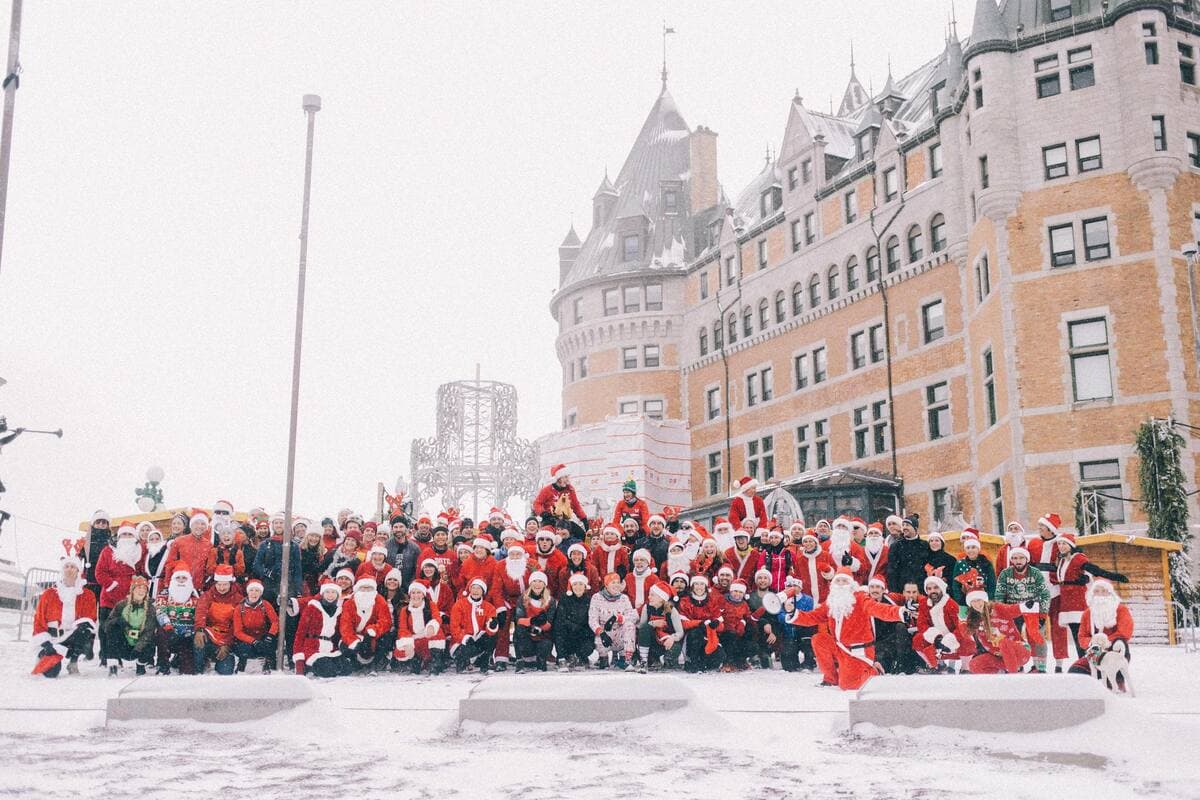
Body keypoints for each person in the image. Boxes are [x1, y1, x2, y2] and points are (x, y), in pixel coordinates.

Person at [786, 568, 910, 690]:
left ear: (851, 584)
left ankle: (874, 670)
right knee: (819, 639)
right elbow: (813, 617)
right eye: (838, 581)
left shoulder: (860, 598)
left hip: (857, 651)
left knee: (848, 685)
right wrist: (793, 612)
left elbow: (877, 608)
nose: (840, 584)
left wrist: (899, 612)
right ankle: (830, 678)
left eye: (844, 581)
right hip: (840, 648)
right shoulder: (832, 601)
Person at [1048, 532, 1127, 671]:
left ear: (1071, 545)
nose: (1061, 546)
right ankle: (1085, 664)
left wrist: (1114, 576)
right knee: (1076, 634)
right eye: (1059, 543)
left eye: (1064, 543)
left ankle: (1090, 664)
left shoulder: (1078, 559)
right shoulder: (1061, 560)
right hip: (1067, 602)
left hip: (1077, 601)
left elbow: (1095, 570)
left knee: (1082, 636)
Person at [32, 552, 98, 678]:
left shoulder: (87, 595)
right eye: (66, 566)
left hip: (72, 637)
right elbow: (38, 620)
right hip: (51, 639)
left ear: (78, 571)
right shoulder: (49, 593)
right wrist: (46, 644)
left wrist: (81, 628)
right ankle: (46, 656)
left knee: (85, 629)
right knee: (51, 673)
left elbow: (90, 618)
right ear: (62, 570)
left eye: (73, 567)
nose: (69, 569)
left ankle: (73, 662)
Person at [1068, 579, 1134, 691]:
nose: (1100, 594)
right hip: (1095, 653)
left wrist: (1104, 641)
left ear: (1110, 593)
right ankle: (1090, 683)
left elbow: (1124, 632)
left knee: (1120, 642)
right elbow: (1082, 636)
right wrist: (1094, 643)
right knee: (1074, 671)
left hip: (1114, 651)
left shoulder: (1121, 610)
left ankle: (1117, 678)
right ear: (1092, 594)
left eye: (1104, 591)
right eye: (1097, 591)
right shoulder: (1087, 614)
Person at [994, 544, 1050, 671]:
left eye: (1021, 558)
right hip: (1013, 610)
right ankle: (1016, 664)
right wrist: (1002, 613)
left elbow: (1045, 595)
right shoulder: (1005, 574)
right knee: (1012, 638)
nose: (1018, 561)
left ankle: (1039, 667)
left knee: (1036, 637)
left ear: (1027, 559)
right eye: (1014, 558)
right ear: (1011, 560)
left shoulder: (1035, 573)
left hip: (1032, 610)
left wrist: (1042, 615)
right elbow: (999, 595)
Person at [94, 522, 143, 666]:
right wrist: (111, 584)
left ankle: (117, 655)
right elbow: (99, 572)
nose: (126, 537)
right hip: (109, 597)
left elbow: (142, 571)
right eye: (124, 534)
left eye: (129, 534)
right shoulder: (108, 551)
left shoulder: (139, 551)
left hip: (128, 598)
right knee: (105, 627)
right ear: (119, 536)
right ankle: (105, 655)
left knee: (122, 628)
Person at [963, 590, 1035, 674]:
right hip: (1001, 656)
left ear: (984, 600)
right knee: (974, 664)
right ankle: (997, 679)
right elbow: (985, 643)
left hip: (1019, 651)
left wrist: (1024, 606)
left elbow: (1012, 609)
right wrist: (996, 652)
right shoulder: (974, 619)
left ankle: (1013, 676)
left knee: (1003, 642)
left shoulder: (997, 608)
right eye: (973, 601)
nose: (976, 604)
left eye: (979, 600)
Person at [294, 580, 353, 677]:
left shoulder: (339, 611)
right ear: (322, 594)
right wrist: (299, 660)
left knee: (347, 669)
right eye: (327, 592)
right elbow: (300, 634)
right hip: (312, 648)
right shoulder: (312, 608)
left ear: (338, 595)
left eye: (333, 592)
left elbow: (339, 633)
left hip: (330, 648)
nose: (330, 595)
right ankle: (309, 666)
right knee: (327, 671)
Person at [193, 565, 245, 675]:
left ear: (230, 584)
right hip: (210, 633)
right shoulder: (207, 596)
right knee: (199, 641)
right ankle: (199, 668)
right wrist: (199, 629)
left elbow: (237, 625)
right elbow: (200, 613)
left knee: (225, 671)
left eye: (225, 584)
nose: (222, 588)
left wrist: (227, 644)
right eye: (219, 584)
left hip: (227, 637)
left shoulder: (238, 599)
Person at [102, 575, 157, 676]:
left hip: (140, 644)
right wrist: (118, 621)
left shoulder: (150, 609)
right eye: (139, 588)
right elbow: (107, 626)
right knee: (112, 630)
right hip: (124, 642)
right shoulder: (121, 605)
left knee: (151, 640)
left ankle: (140, 665)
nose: (141, 591)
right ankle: (113, 667)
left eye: (144, 589)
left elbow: (149, 631)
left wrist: (138, 648)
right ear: (132, 590)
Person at [489, 544, 532, 670]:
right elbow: (496, 589)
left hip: (527, 600)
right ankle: (501, 658)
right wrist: (500, 607)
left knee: (526, 626)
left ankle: (528, 655)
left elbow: (538, 581)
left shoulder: (532, 564)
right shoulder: (501, 566)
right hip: (508, 600)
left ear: (523, 555)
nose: (515, 557)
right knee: (503, 624)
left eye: (518, 554)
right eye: (512, 554)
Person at [913, 575, 966, 672]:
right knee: (918, 640)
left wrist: (950, 639)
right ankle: (934, 666)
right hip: (935, 638)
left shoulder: (951, 604)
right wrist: (936, 637)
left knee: (968, 641)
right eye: (929, 589)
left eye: (935, 587)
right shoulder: (924, 604)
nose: (932, 591)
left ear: (941, 588)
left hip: (952, 638)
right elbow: (921, 625)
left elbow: (961, 627)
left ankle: (965, 668)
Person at [339, 577, 394, 671]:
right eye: (363, 588)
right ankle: (355, 663)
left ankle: (377, 662)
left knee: (386, 639)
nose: (366, 591)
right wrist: (354, 641)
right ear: (357, 589)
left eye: (369, 588)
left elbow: (386, 621)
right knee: (346, 645)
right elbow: (345, 627)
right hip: (355, 636)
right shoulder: (349, 603)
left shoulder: (379, 600)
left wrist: (373, 629)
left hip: (373, 635)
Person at [155, 562, 201, 675]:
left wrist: (192, 631)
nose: (181, 580)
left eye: (184, 578)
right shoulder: (165, 593)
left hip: (187, 636)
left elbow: (200, 614)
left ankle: (179, 660)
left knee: (187, 671)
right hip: (169, 632)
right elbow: (160, 610)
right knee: (161, 634)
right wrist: (168, 627)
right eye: (178, 577)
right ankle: (163, 666)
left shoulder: (196, 595)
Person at [394, 582, 447, 674]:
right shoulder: (405, 610)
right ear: (410, 595)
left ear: (423, 595)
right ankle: (416, 661)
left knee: (437, 631)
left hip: (428, 638)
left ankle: (435, 662)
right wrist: (407, 643)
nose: (416, 596)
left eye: (418, 592)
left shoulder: (430, 605)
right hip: (415, 640)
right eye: (413, 593)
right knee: (400, 650)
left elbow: (437, 618)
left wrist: (431, 626)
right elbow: (403, 629)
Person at [252, 517, 304, 609]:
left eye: (281, 523)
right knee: (269, 611)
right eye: (276, 523)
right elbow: (257, 565)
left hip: (288, 584)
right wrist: (267, 573)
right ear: (273, 526)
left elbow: (298, 570)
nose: (279, 525)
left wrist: (298, 589)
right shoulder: (265, 544)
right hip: (269, 585)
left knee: (286, 613)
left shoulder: (293, 545)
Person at [450, 578, 499, 673]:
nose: (475, 591)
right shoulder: (459, 605)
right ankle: (463, 663)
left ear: (483, 591)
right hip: (461, 642)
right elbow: (454, 627)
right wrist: (464, 638)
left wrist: (492, 626)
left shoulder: (489, 607)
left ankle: (483, 663)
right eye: (473, 588)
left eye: (478, 589)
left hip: (478, 640)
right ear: (470, 589)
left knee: (492, 638)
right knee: (465, 650)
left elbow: (490, 627)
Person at [679, 574, 726, 673]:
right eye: (696, 584)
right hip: (692, 635)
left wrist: (715, 624)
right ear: (692, 586)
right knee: (696, 634)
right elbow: (683, 623)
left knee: (719, 655)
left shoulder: (712, 601)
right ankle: (693, 661)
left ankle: (704, 662)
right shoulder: (685, 601)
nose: (699, 587)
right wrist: (699, 623)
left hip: (708, 634)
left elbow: (721, 625)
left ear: (705, 586)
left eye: (701, 584)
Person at [589, 572, 636, 670]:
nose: (616, 585)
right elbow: (592, 619)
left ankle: (625, 659)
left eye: (618, 582)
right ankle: (603, 658)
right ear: (606, 585)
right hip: (604, 634)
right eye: (613, 582)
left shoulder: (624, 598)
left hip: (620, 634)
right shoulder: (597, 597)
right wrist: (601, 633)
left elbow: (632, 616)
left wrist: (619, 618)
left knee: (630, 626)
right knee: (599, 641)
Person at [232, 578, 279, 673]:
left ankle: (270, 664)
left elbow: (275, 622)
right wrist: (253, 641)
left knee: (270, 644)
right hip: (247, 639)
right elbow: (237, 632)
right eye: (251, 590)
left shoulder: (265, 605)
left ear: (261, 593)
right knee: (244, 648)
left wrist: (270, 635)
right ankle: (242, 665)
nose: (254, 593)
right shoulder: (239, 608)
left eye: (257, 590)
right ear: (247, 592)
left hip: (262, 636)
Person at [513, 571, 557, 671]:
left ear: (544, 584)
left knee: (547, 642)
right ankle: (520, 660)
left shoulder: (550, 600)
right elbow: (519, 620)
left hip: (542, 636)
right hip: (527, 635)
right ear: (530, 583)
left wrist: (542, 623)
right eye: (534, 581)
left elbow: (550, 624)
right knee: (518, 630)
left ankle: (541, 659)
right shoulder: (523, 599)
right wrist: (532, 621)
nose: (537, 584)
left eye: (540, 581)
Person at [637, 582, 684, 672]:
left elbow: (680, 632)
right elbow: (642, 628)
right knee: (645, 629)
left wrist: (672, 638)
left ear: (661, 598)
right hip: (653, 643)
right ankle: (644, 660)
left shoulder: (671, 610)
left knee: (673, 652)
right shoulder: (646, 608)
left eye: (652, 595)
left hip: (667, 641)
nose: (649, 597)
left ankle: (669, 660)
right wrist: (652, 624)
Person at [554, 572, 595, 670]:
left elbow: (591, 619)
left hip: (582, 634)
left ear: (585, 586)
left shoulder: (589, 601)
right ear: (571, 586)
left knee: (588, 645)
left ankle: (580, 657)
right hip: (567, 634)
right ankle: (562, 658)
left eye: (581, 584)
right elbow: (560, 619)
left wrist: (583, 630)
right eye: (575, 584)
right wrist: (573, 626)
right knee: (559, 629)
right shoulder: (564, 599)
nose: (578, 587)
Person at [532, 463, 588, 531]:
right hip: (549, 520)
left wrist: (584, 518)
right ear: (558, 478)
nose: (568, 479)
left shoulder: (570, 489)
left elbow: (576, 506)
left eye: (568, 477)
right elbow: (537, 503)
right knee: (549, 533)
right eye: (565, 477)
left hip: (564, 521)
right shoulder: (547, 490)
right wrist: (543, 513)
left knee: (580, 533)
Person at [166, 511, 214, 590]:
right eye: (196, 523)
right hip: (180, 585)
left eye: (203, 524)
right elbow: (170, 564)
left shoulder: (208, 545)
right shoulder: (179, 541)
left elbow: (208, 568)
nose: (199, 526)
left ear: (206, 527)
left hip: (198, 587)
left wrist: (204, 585)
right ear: (191, 525)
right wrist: (167, 584)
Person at [950, 530, 996, 605]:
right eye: (968, 548)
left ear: (978, 549)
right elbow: (956, 585)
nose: (970, 550)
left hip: (983, 600)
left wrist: (989, 599)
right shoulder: (960, 563)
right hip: (965, 600)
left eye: (973, 547)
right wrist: (961, 601)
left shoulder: (986, 563)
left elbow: (992, 583)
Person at [886, 514, 929, 592]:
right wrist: (894, 591)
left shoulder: (924, 545)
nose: (904, 527)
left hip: (921, 589)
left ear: (915, 528)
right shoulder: (896, 546)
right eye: (903, 525)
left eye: (908, 525)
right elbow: (891, 571)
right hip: (901, 589)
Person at [719, 579, 754, 671]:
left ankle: (741, 660)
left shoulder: (744, 604)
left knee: (748, 637)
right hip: (725, 631)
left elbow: (748, 617)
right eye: (735, 591)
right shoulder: (723, 601)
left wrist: (743, 623)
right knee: (731, 639)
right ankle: (728, 662)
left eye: (740, 592)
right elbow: (718, 614)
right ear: (731, 591)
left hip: (739, 630)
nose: (737, 594)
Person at [793, 532, 835, 604]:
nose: (808, 544)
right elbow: (797, 576)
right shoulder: (800, 559)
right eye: (805, 542)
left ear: (815, 543)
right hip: (807, 596)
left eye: (810, 541)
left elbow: (835, 573)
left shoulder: (826, 555)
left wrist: (829, 572)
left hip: (824, 595)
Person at [206, 521, 248, 588]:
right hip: (217, 583)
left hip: (233, 583)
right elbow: (209, 570)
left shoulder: (238, 552)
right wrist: (218, 565)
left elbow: (240, 571)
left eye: (229, 533)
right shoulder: (214, 551)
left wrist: (233, 563)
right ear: (220, 537)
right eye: (223, 534)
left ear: (233, 536)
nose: (226, 535)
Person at [386, 517, 422, 588]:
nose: (398, 529)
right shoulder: (386, 546)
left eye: (401, 527)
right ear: (392, 529)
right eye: (395, 527)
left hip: (408, 587)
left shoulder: (414, 548)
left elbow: (417, 570)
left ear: (406, 528)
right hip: (389, 587)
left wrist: (411, 586)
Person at [83, 509, 112, 597]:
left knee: (104, 609)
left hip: (106, 581)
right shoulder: (86, 541)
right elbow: (78, 558)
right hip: (90, 581)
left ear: (107, 525)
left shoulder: (111, 542)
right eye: (98, 522)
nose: (100, 525)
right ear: (93, 524)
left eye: (103, 522)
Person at [531, 528, 568, 597]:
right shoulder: (530, 553)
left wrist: (557, 599)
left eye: (548, 540)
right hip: (531, 594)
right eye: (541, 539)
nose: (544, 542)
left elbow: (563, 582)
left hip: (551, 596)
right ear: (538, 542)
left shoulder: (561, 558)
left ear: (552, 542)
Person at [623, 549, 660, 616]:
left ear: (647, 562)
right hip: (629, 610)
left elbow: (655, 598)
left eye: (642, 560)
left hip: (648, 611)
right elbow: (623, 595)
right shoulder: (628, 577)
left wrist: (640, 610)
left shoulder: (653, 578)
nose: (639, 562)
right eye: (636, 560)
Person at [298, 527, 326, 596]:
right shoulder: (299, 550)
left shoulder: (322, 552)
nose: (314, 539)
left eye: (317, 536)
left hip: (314, 584)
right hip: (300, 582)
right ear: (307, 536)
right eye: (312, 536)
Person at [145, 529, 170, 597]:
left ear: (161, 539)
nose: (154, 541)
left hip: (161, 585)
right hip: (149, 585)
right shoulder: (148, 554)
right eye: (152, 539)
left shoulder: (166, 552)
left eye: (157, 539)